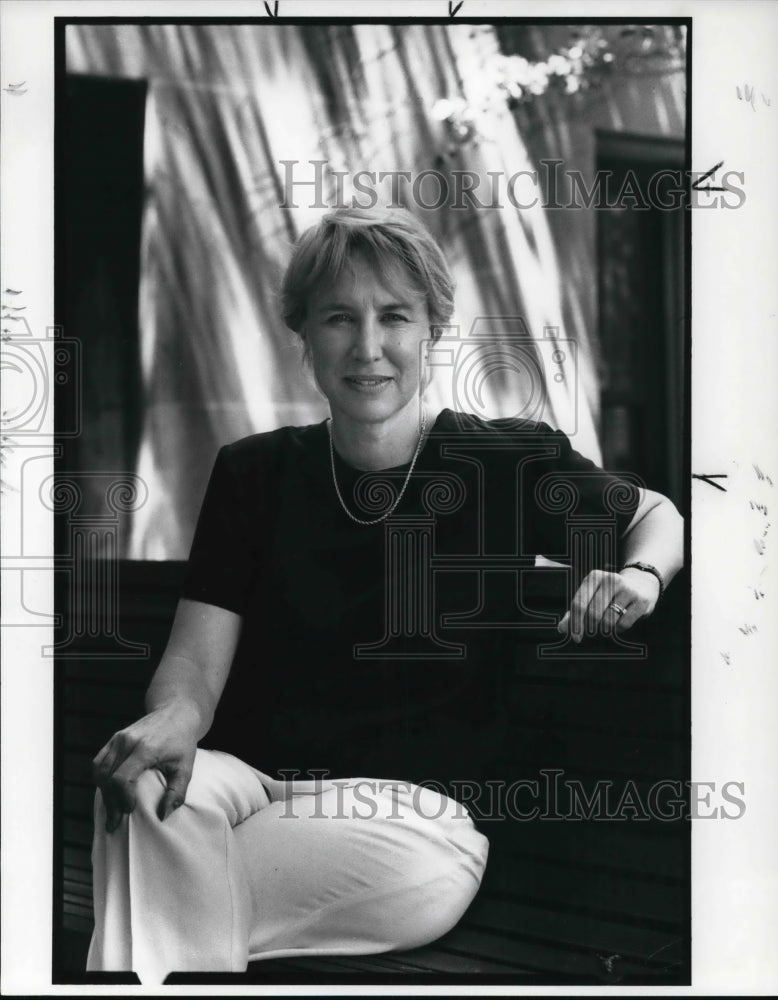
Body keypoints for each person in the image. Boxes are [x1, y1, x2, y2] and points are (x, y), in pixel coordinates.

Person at [88, 206, 684, 983]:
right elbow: (193, 672)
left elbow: (657, 516)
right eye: (339, 318)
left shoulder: (498, 461)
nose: (368, 348)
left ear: (432, 329)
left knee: (151, 852)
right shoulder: (254, 474)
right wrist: (171, 720)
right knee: (144, 786)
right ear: (303, 333)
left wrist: (637, 574)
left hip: (410, 824)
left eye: (394, 317)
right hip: (256, 787)